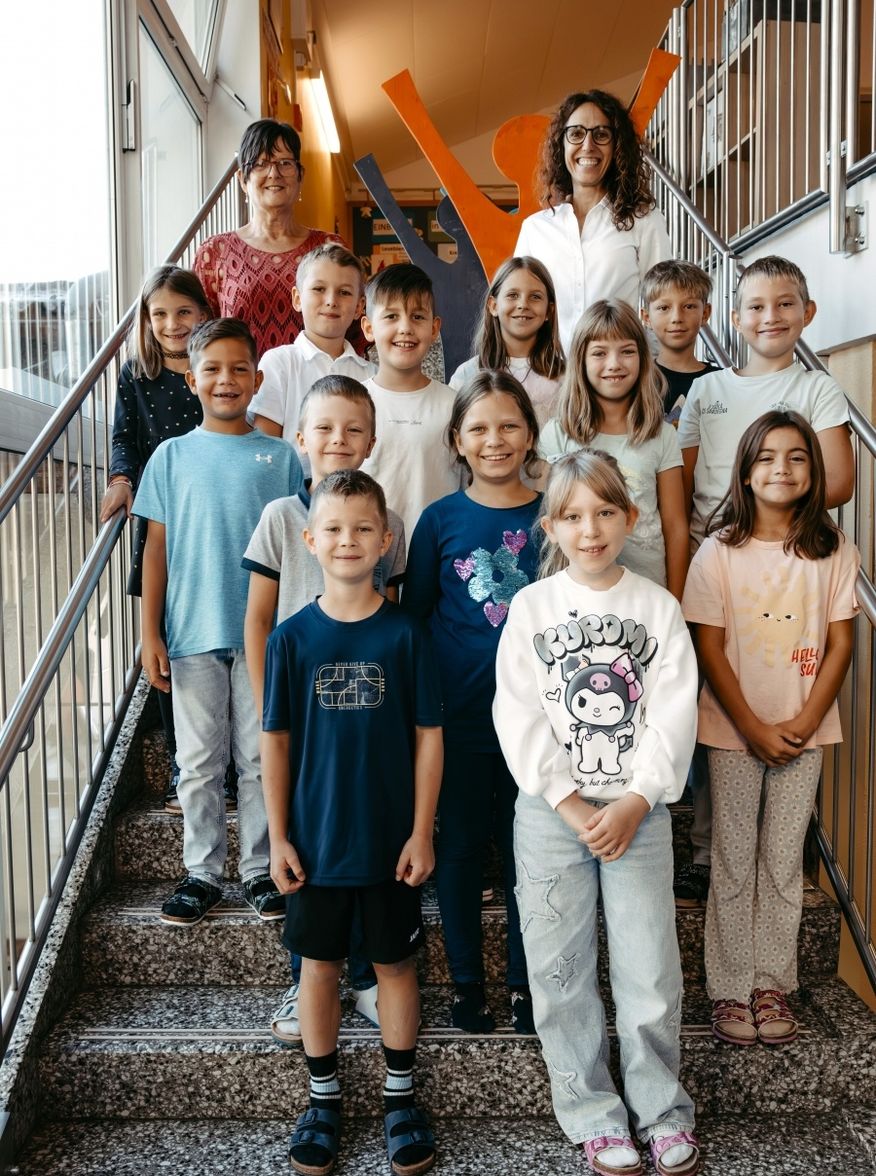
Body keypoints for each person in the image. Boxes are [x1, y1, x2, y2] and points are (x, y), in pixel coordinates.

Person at [493, 450, 700, 1176]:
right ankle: (593, 1116)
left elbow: (674, 712)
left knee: (650, 971)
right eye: (573, 516)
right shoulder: (531, 608)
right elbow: (517, 712)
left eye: (606, 512)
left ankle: (662, 1113)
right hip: (552, 818)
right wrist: (570, 802)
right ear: (550, 526)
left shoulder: (657, 607)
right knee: (560, 973)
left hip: (639, 815)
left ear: (630, 517)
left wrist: (638, 799)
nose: (591, 530)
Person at [261, 469, 442, 1176]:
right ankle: (323, 1100)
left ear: (386, 540)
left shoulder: (406, 635)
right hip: (315, 844)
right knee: (319, 969)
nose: (348, 540)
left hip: (391, 843)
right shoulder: (290, 640)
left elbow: (429, 737)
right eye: (333, 528)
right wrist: (278, 836)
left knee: (395, 966)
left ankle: (400, 1097)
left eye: (363, 528)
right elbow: (276, 743)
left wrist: (421, 831)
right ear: (310, 540)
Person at [683, 411, 858, 1047]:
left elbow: (841, 643)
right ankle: (730, 987)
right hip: (734, 731)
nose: (782, 468)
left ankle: (771, 982)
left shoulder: (834, 550)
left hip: (804, 733)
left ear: (814, 472)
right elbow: (709, 644)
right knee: (734, 860)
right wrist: (752, 726)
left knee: (784, 861)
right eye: (767, 457)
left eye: (797, 457)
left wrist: (806, 721)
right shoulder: (718, 551)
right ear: (746, 472)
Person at [243, 374, 406, 1042]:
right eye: (324, 428)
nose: (338, 439)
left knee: (365, 848)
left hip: (363, 711)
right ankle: (304, 981)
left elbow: (392, 615)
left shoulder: (386, 524)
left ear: (371, 440)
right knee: (307, 854)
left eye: (353, 428)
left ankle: (366, 978)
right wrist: (270, 708)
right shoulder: (281, 518)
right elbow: (258, 621)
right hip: (301, 714)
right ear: (300, 438)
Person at [134, 318, 303, 925]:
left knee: (259, 758)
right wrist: (149, 632)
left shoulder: (281, 457)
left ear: (257, 379)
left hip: (266, 636)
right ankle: (201, 872)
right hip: (192, 633)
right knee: (199, 762)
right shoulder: (170, 456)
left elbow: (297, 545)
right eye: (212, 369)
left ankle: (259, 869)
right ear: (192, 378)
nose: (226, 380)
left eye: (239, 369)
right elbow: (155, 549)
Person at [403, 371, 541, 1035]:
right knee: (457, 850)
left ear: (531, 434)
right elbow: (415, 619)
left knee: (526, 857)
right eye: (479, 428)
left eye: (509, 425)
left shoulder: (553, 515)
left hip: (537, 726)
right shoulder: (439, 521)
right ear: (457, 439)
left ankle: (525, 984)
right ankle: (466, 985)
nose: (495, 440)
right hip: (457, 719)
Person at [99, 265, 211, 813]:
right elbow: (124, 436)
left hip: (213, 512)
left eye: (184, 312)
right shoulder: (136, 374)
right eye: (160, 313)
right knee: (167, 644)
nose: (172, 324)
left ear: (204, 312)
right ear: (146, 319)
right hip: (162, 518)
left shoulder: (216, 364)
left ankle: (224, 766)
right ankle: (179, 765)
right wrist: (122, 480)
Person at [679, 254, 855, 547]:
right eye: (756, 307)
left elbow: (838, 483)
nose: (771, 317)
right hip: (709, 549)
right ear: (737, 320)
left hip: (786, 550)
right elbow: (682, 484)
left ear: (808, 312)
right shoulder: (705, 388)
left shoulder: (818, 388)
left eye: (785, 304)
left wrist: (767, 518)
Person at [539, 300, 688, 600]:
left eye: (627, 351)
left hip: (648, 593)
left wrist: (675, 603)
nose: (614, 363)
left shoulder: (661, 435)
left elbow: (675, 526)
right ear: (580, 360)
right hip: (577, 598)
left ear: (643, 357)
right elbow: (550, 520)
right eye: (599, 353)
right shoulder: (558, 434)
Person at [515, 90, 671, 353]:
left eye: (601, 134)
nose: (588, 145)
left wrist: (650, 367)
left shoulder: (644, 221)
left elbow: (663, 304)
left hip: (618, 371)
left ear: (617, 145)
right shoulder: (535, 229)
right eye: (576, 133)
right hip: (550, 373)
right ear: (562, 144)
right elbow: (518, 310)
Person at [194, 119, 359, 358]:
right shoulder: (215, 253)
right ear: (242, 179)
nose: (274, 174)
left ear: (300, 175)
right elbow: (199, 338)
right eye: (260, 164)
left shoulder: (330, 247)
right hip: (242, 381)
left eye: (285, 163)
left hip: (320, 380)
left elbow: (356, 330)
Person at [360, 264, 461, 540]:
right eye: (391, 316)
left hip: (440, 551)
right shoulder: (353, 405)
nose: (405, 328)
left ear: (434, 327)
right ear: (368, 327)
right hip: (369, 553)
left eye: (417, 316)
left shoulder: (455, 406)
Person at [249, 244, 374, 447]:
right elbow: (265, 450)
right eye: (319, 289)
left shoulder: (372, 375)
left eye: (344, 292)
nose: (331, 301)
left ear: (359, 307)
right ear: (297, 298)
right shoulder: (279, 363)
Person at [449, 256, 565, 427]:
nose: (523, 304)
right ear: (493, 306)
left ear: (549, 310)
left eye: (535, 297)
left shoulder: (567, 378)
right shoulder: (467, 375)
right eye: (512, 295)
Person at [639, 259, 720, 425]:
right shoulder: (637, 379)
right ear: (647, 318)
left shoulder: (722, 382)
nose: (676, 318)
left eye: (689, 306)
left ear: (705, 313)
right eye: (664, 308)